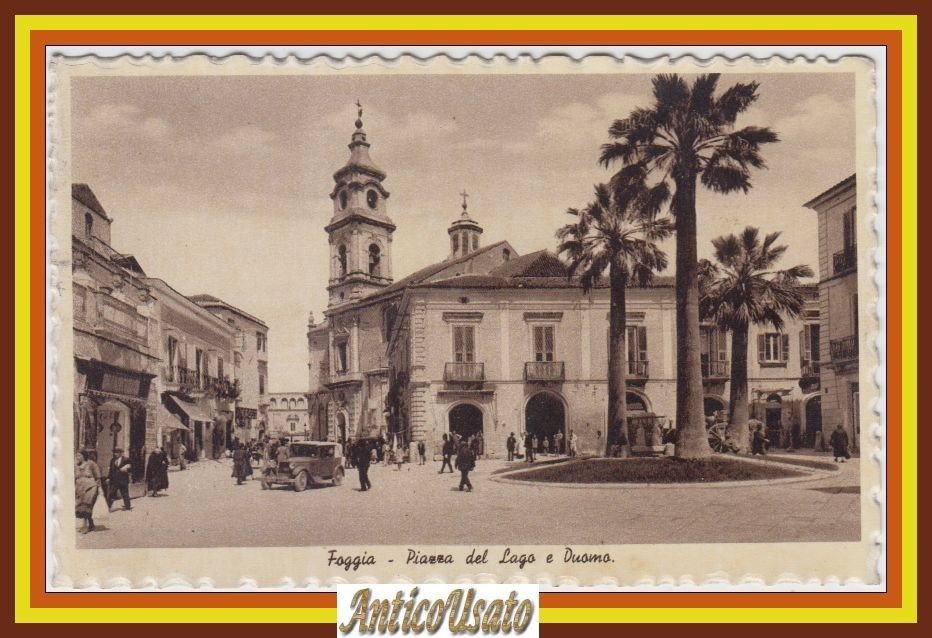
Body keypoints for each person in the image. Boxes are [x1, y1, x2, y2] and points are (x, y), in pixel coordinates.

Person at [75, 450, 101, 533]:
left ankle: (85, 526)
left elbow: (98, 477)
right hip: (80, 489)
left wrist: (97, 488)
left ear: (83, 456)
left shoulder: (91, 464)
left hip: (90, 488)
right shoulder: (76, 465)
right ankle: (91, 524)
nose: (77, 457)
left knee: (86, 505)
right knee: (80, 506)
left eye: (79, 455)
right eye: (76, 456)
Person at [107, 447, 132, 511]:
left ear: (121, 453)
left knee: (125, 493)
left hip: (123, 479)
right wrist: (108, 478)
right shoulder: (112, 460)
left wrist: (127, 468)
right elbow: (111, 471)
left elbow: (131, 468)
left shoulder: (126, 459)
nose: (116, 454)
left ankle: (127, 507)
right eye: (115, 452)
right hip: (115, 480)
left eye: (117, 452)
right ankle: (107, 507)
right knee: (111, 493)